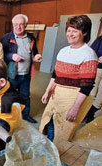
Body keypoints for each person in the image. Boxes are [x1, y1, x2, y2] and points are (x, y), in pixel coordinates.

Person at [39, 15, 98, 143]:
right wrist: (47, 91)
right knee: (49, 123)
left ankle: (57, 154)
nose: (70, 34)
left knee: (62, 132)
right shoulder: (63, 51)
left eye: (75, 31)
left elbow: (87, 85)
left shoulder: (88, 54)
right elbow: (55, 75)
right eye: (69, 30)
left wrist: (75, 107)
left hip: (73, 99)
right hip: (57, 95)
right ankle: (50, 149)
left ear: (85, 33)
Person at [1, 14, 42, 123]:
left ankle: (25, 115)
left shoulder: (31, 38)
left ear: (26, 25)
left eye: (21, 24)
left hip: (26, 74)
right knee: (9, 95)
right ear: (13, 25)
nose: (18, 27)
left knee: (25, 96)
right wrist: (11, 56)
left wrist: (36, 56)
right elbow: (1, 55)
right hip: (12, 74)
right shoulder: (6, 38)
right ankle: (6, 118)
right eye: (16, 24)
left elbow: (35, 51)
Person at [84, 35, 102, 123]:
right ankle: (85, 113)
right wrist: (98, 58)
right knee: (91, 93)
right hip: (97, 69)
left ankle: (90, 113)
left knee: (100, 99)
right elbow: (91, 52)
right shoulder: (100, 39)